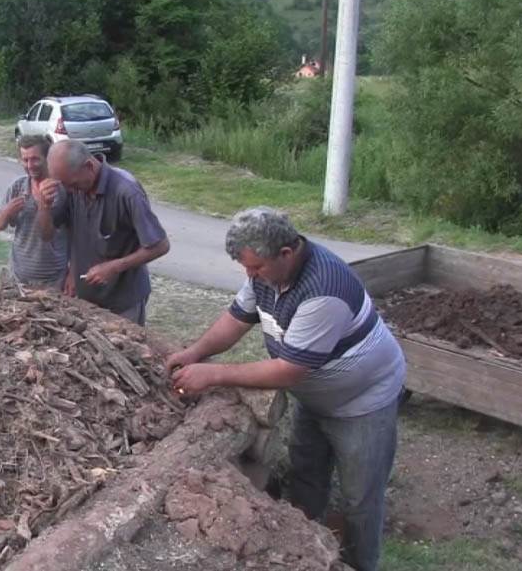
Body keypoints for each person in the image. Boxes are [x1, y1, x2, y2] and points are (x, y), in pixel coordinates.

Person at [164, 207, 405, 571]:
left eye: (256, 267)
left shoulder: (324, 289)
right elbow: (236, 319)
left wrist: (213, 375)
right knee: (306, 476)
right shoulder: (265, 272)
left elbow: (289, 370)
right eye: (246, 267)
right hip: (315, 396)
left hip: (363, 401)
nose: (250, 275)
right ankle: (308, 555)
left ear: (287, 253)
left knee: (360, 498)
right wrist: (195, 352)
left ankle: (358, 563)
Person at [39, 140, 169, 324]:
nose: (69, 190)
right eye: (64, 185)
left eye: (73, 184)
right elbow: (46, 235)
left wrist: (113, 267)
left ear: (89, 166)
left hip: (124, 302)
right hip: (86, 300)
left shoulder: (127, 191)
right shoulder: (71, 187)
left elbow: (160, 245)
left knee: (124, 350)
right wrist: (44, 206)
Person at [0, 135, 69, 290]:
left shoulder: (58, 190)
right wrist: (7, 212)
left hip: (51, 278)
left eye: (35, 159)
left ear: (47, 158)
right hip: (18, 275)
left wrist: (43, 205)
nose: (30, 165)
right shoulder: (18, 186)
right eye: (25, 160)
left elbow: (46, 235)